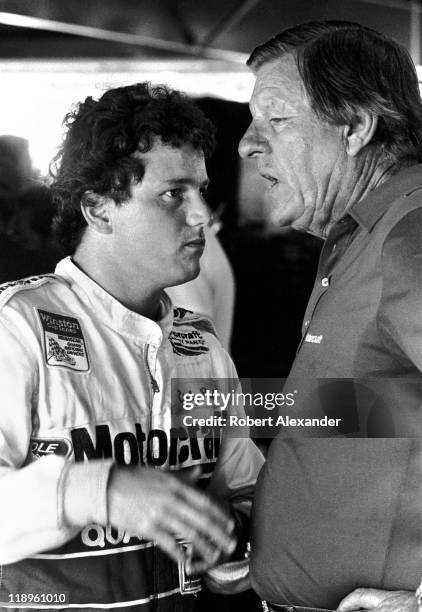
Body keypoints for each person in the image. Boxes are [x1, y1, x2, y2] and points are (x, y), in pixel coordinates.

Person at [0, 82, 263, 611]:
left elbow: (241, 495)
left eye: (201, 191)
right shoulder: (18, 327)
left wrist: (235, 545)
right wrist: (102, 490)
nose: (199, 216)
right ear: (99, 210)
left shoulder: (199, 346)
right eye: (173, 194)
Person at [238, 20, 422, 612]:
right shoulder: (359, 235)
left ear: (357, 127)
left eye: (277, 119)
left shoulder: (409, 237)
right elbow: (380, 410)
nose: (246, 143)